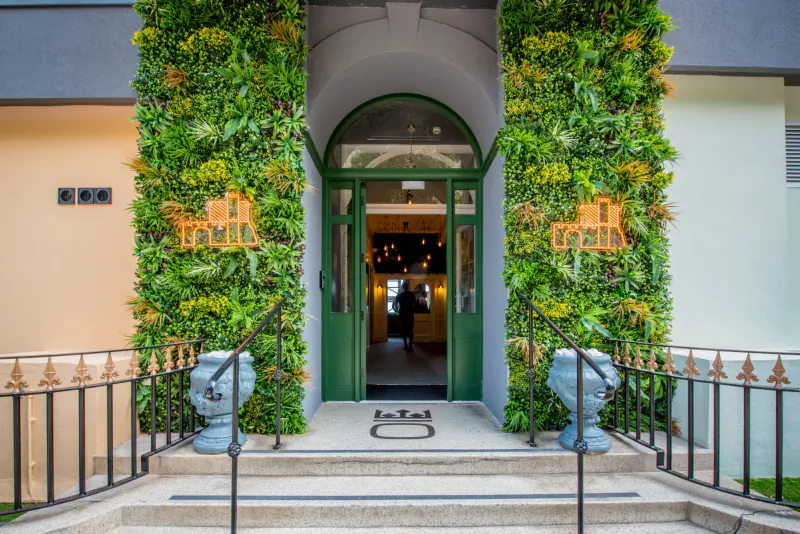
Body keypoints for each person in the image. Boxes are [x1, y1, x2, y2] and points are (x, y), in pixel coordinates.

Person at [396, 281, 416, 351]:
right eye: (405, 286)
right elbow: (415, 304)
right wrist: (414, 310)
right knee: (409, 330)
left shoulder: (399, 295)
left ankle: (406, 345)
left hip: (403, 314)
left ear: (402, 287)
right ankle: (409, 345)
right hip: (409, 314)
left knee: (404, 330)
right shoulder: (411, 294)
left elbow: (395, 305)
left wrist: (398, 311)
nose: (405, 287)